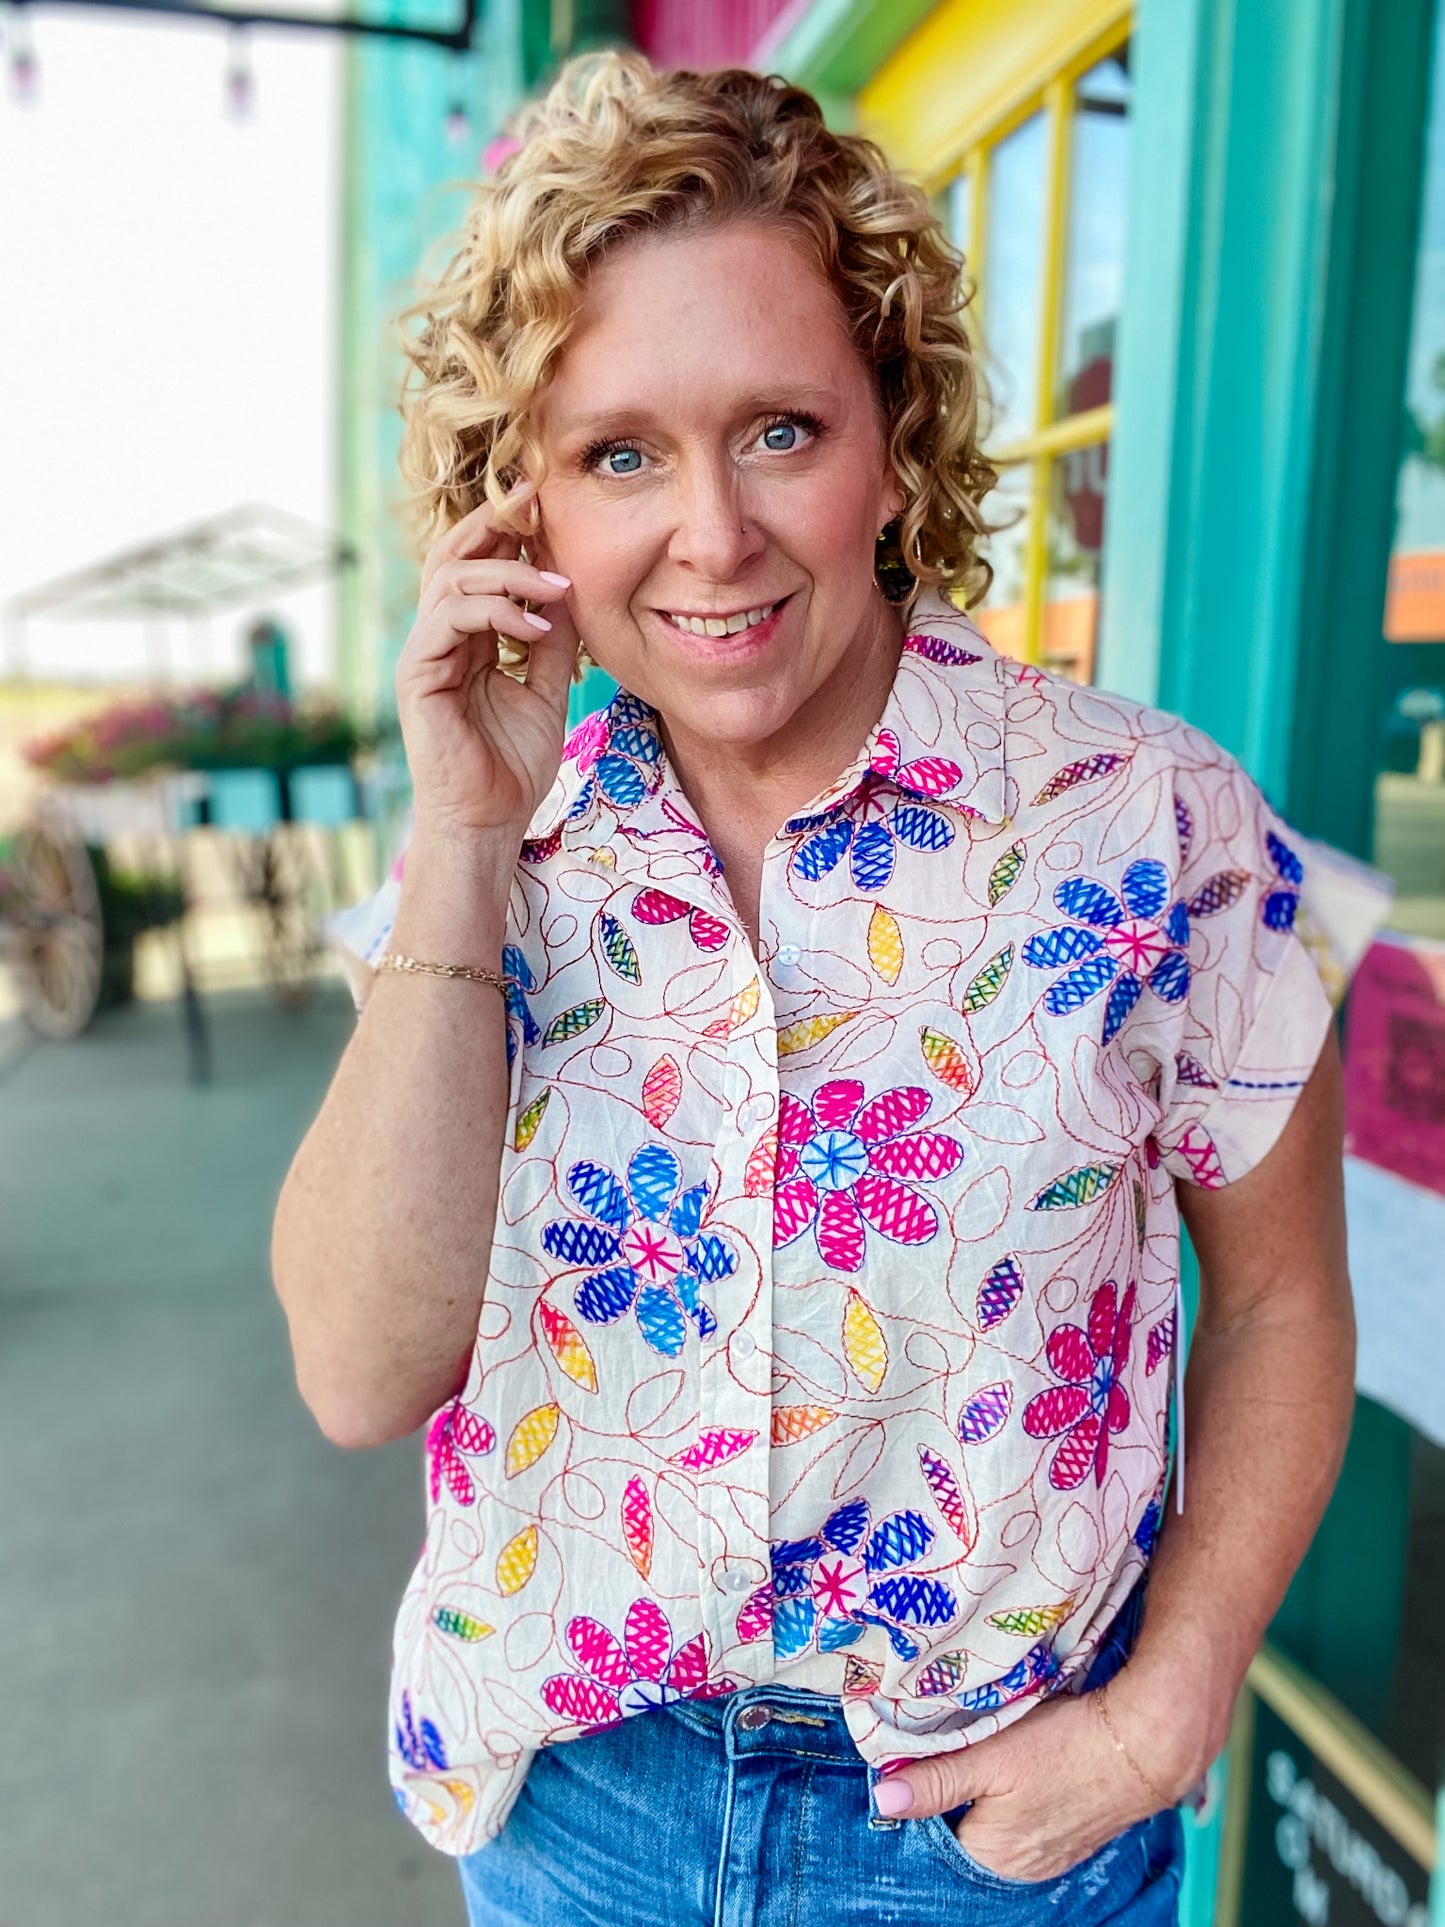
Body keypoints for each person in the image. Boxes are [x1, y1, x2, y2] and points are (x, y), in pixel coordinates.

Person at [271, 52, 1355, 1927]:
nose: (709, 533)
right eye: (618, 454)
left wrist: (1166, 1709)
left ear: (890, 432)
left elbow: (1275, 1305)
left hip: (992, 1831)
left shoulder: (1149, 822)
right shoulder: (493, 854)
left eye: (778, 428)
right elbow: (362, 1371)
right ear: (519, 503)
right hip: (574, 1814)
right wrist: (459, 835)